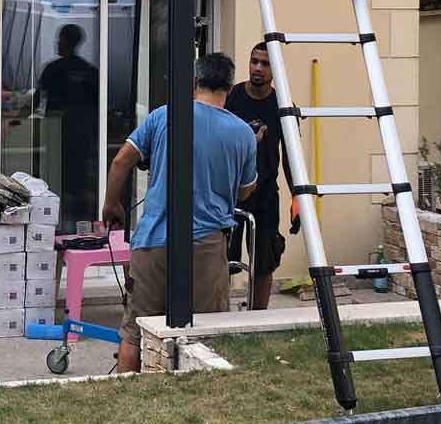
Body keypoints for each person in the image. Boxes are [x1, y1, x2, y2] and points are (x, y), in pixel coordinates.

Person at [101, 53, 256, 373]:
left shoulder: (164, 116)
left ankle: (126, 396)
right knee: (207, 336)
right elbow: (244, 191)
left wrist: (111, 204)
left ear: (195, 82)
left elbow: (120, 162)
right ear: (229, 87)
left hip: (154, 242)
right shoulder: (243, 133)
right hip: (206, 247)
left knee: (135, 334)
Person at [223, 42, 300, 311]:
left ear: (274, 69)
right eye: (254, 61)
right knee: (222, 259)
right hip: (230, 192)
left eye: (265, 64)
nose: (258, 68)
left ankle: (258, 316)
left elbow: (291, 157)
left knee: (265, 260)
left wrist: (298, 199)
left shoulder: (283, 106)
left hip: (265, 193)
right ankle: (217, 316)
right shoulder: (232, 98)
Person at [33, 23, 100, 228]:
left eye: (60, 39)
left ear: (68, 42)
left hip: (60, 134)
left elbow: (36, 101)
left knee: (57, 177)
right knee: (77, 179)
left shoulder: (54, 69)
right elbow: (100, 107)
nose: (57, 43)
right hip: (78, 134)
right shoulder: (89, 71)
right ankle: (76, 220)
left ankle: (57, 220)